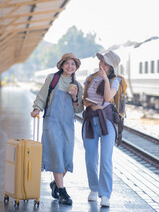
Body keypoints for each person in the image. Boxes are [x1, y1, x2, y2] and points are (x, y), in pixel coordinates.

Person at [31, 53, 84, 205]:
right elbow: (42, 96)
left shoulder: (78, 86)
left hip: (67, 124)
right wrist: (36, 108)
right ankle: (62, 192)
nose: (70, 66)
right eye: (67, 63)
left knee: (67, 158)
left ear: (76, 67)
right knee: (57, 156)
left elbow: (79, 109)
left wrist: (75, 98)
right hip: (52, 122)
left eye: (73, 64)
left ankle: (56, 183)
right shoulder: (53, 79)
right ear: (61, 65)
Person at [82, 50, 121, 207]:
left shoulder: (115, 81)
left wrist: (104, 78)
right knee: (90, 159)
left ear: (111, 66)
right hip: (91, 121)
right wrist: (91, 103)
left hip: (107, 123)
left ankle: (105, 194)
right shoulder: (90, 78)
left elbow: (107, 98)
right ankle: (93, 188)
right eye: (101, 61)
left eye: (104, 63)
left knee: (105, 159)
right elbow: (85, 100)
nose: (101, 64)